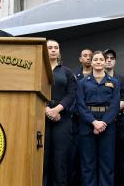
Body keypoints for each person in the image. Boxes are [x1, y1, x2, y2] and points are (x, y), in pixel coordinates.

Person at [77, 51, 120, 186]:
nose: (99, 61)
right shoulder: (83, 82)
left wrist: (103, 123)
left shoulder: (114, 82)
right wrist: (94, 122)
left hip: (108, 123)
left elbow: (115, 104)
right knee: (88, 162)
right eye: (95, 59)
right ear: (92, 62)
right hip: (87, 122)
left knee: (107, 162)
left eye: (101, 59)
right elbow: (80, 104)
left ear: (104, 62)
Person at [43, 40, 77, 186]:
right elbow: (34, 92)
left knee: (60, 159)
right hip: (41, 118)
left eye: (56, 47)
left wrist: (57, 110)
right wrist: (46, 110)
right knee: (43, 158)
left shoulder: (67, 72)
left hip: (62, 119)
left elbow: (71, 94)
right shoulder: (39, 69)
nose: (53, 50)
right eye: (49, 48)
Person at [103, 49, 124, 186]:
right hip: (100, 124)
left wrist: (107, 111)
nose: (109, 60)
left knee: (119, 160)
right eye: (106, 57)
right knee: (104, 160)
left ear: (115, 61)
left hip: (118, 123)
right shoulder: (95, 79)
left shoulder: (122, 80)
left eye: (112, 58)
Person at [68, 48, 93, 186]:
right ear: (80, 59)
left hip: (91, 121)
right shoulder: (73, 75)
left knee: (88, 158)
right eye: (85, 56)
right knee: (74, 155)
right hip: (76, 120)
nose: (88, 58)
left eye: (90, 55)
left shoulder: (99, 75)